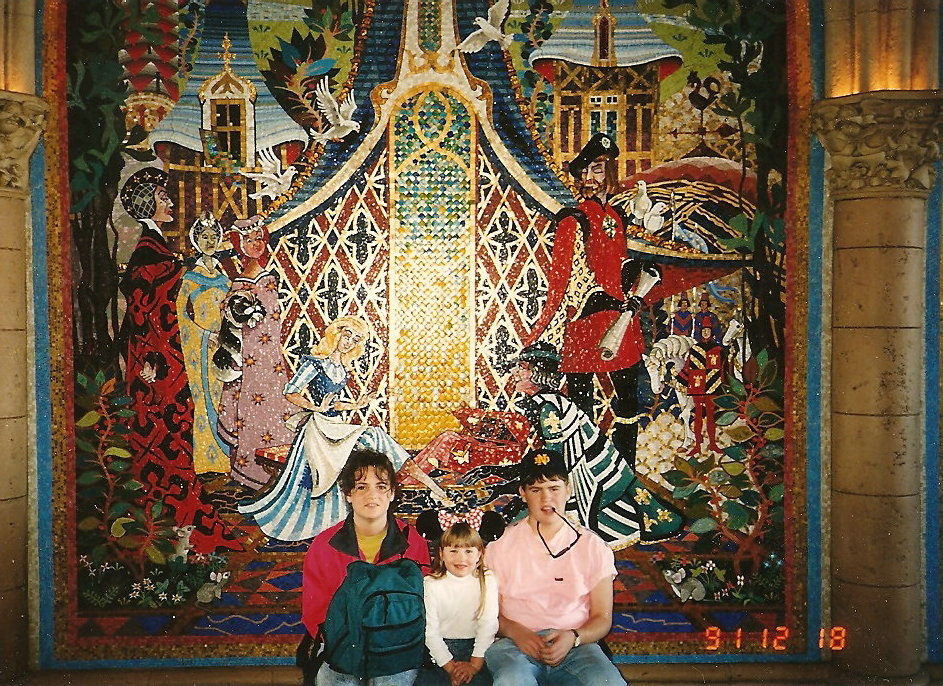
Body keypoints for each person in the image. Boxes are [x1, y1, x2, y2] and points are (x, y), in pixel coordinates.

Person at [239, 315, 451, 541]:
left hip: (336, 426)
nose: (348, 341)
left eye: (355, 339)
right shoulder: (315, 363)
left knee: (375, 437)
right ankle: (431, 487)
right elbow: (290, 391)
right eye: (346, 335)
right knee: (372, 438)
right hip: (319, 430)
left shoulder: (341, 368)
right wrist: (315, 407)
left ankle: (427, 486)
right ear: (336, 333)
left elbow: (336, 403)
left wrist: (357, 404)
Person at [118, 167, 239, 554]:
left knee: (174, 432)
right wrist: (150, 361)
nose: (169, 201)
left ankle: (176, 510)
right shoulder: (149, 252)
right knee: (165, 433)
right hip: (158, 365)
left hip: (169, 360)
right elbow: (143, 314)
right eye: (163, 196)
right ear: (148, 203)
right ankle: (173, 514)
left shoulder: (159, 249)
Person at [524, 132, 662, 470]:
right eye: (584, 171)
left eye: (598, 169)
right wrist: (546, 332)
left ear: (610, 173)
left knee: (629, 401)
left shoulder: (615, 218)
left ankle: (624, 474)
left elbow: (616, 267)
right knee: (581, 406)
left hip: (621, 319)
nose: (589, 178)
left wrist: (636, 279)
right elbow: (563, 281)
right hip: (586, 320)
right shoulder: (573, 219)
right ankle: (580, 475)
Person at [511, 342, 682, 547]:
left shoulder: (550, 408)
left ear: (536, 373)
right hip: (596, 467)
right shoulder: (553, 401)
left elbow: (553, 460)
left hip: (588, 474)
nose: (515, 372)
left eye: (521, 367)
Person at [483, 454, 627, 686]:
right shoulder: (499, 545)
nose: (546, 498)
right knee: (512, 680)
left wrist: (574, 637)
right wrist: (518, 633)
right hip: (515, 646)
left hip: (576, 646)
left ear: (568, 490)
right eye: (536, 489)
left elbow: (602, 617)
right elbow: (491, 614)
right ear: (522, 493)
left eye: (554, 488)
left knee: (608, 682)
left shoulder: (593, 546)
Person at [301, 449, 431, 685]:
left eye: (381, 486)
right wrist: (348, 645)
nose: (372, 494)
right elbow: (315, 612)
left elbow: (424, 604)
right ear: (348, 494)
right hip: (342, 646)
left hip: (396, 648)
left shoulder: (412, 542)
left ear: (391, 493)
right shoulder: (324, 546)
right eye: (361, 486)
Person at [216, 215, 296, 491]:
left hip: (271, 353)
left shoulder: (269, 275)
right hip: (251, 354)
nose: (256, 244)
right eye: (249, 240)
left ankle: (279, 469)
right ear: (239, 244)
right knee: (253, 406)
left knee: (276, 404)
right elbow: (232, 315)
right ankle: (251, 470)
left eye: (259, 239)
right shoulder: (243, 281)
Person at [176, 212, 231, 475]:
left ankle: (228, 458)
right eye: (204, 237)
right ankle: (207, 462)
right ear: (196, 240)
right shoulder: (191, 276)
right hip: (201, 346)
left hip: (224, 345)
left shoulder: (223, 275)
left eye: (213, 237)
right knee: (205, 398)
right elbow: (181, 314)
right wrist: (203, 336)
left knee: (227, 399)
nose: (209, 241)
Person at [418, 522, 498, 686]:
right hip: (439, 650)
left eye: (468, 551)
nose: (461, 558)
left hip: (478, 649)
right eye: (453, 551)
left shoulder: (487, 579)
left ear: (480, 554)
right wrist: (449, 666)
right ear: (441, 554)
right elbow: (430, 631)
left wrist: (475, 665)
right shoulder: (431, 583)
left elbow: (488, 624)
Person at [680, 320, 725, 455]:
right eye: (704, 331)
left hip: (713, 386)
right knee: (698, 416)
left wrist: (724, 383)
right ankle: (697, 446)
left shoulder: (718, 349)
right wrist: (681, 379)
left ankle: (712, 444)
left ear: (711, 333)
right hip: (698, 387)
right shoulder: (695, 349)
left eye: (708, 331)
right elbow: (688, 366)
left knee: (711, 417)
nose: (706, 333)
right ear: (701, 333)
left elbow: (724, 368)